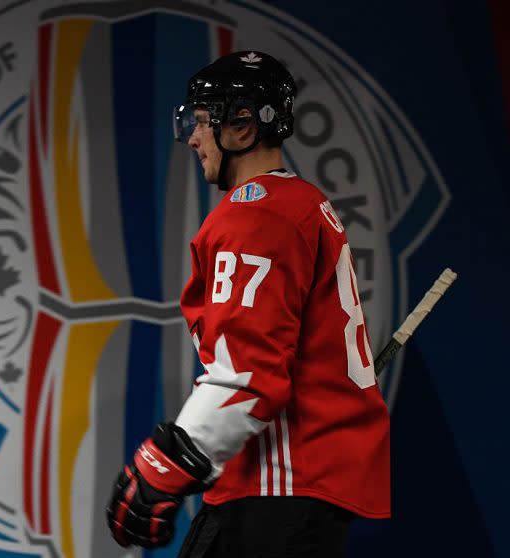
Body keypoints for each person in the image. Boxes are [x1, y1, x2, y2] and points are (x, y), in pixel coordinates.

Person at [106, 51, 390, 557]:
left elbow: (248, 373)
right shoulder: (301, 203)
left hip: (279, 486)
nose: (191, 139)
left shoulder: (258, 215)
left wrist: (165, 464)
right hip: (294, 487)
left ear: (240, 124)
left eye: (199, 122)